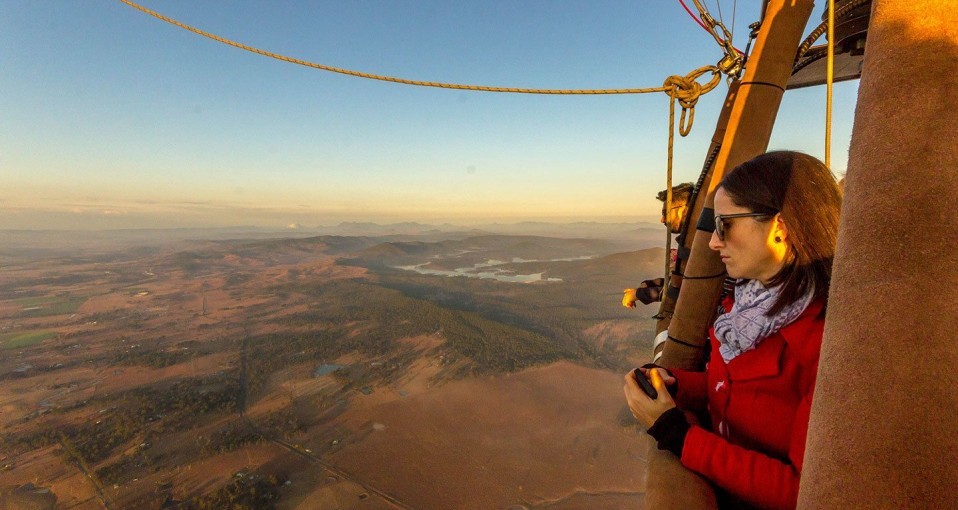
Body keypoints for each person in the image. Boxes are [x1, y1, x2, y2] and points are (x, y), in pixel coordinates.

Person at [623, 151, 842, 510]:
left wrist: (679, 437)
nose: (712, 242)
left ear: (780, 229)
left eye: (726, 225)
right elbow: (729, 391)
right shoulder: (743, 306)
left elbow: (802, 492)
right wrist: (676, 383)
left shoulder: (826, 346)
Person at [622, 182, 694, 308]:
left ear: (682, 209)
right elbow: (677, 282)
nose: (662, 220)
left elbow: (685, 291)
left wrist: (638, 294)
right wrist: (649, 284)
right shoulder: (692, 241)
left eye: (665, 213)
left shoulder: (697, 246)